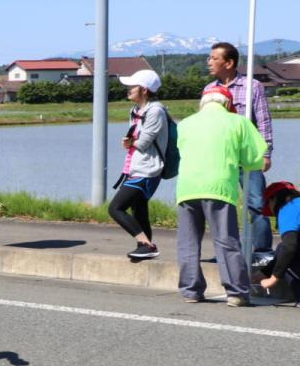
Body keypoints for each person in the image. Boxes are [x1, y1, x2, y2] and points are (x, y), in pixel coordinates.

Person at [175, 85, 267, 306]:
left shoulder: (186, 123)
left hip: (187, 187)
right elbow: (255, 157)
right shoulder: (238, 122)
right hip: (218, 187)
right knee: (226, 240)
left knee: (188, 242)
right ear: (227, 104)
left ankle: (191, 290)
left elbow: (181, 150)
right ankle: (236, 292)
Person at [206, 42, 273, 254]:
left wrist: (266, 153)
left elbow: (263, 122)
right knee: (222, 205)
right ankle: (228, 252)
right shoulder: (209, 90)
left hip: (248, 156)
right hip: (220, 157)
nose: (209, 62)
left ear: (229, 62)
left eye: (214, 59)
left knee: (256, 204)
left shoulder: (253, 86)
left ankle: (261, 253)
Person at [108, 69, 168, 260]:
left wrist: (130, 142)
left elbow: (142, 142)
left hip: (148, 169)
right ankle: (145, 249)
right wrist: (131, 142)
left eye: (131, 86)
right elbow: (135, 139)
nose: (127, 89)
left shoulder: (155, 110)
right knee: (139, 209)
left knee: (115, 208)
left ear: (143, 89)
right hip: (135, 166)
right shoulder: (135, 111)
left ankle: (146, 244)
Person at [257, 181, 300, 305]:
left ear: (274, 199)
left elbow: (289, 248)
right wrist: (263, 273)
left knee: (287, 253)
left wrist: (273, 279)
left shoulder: (288, 209)